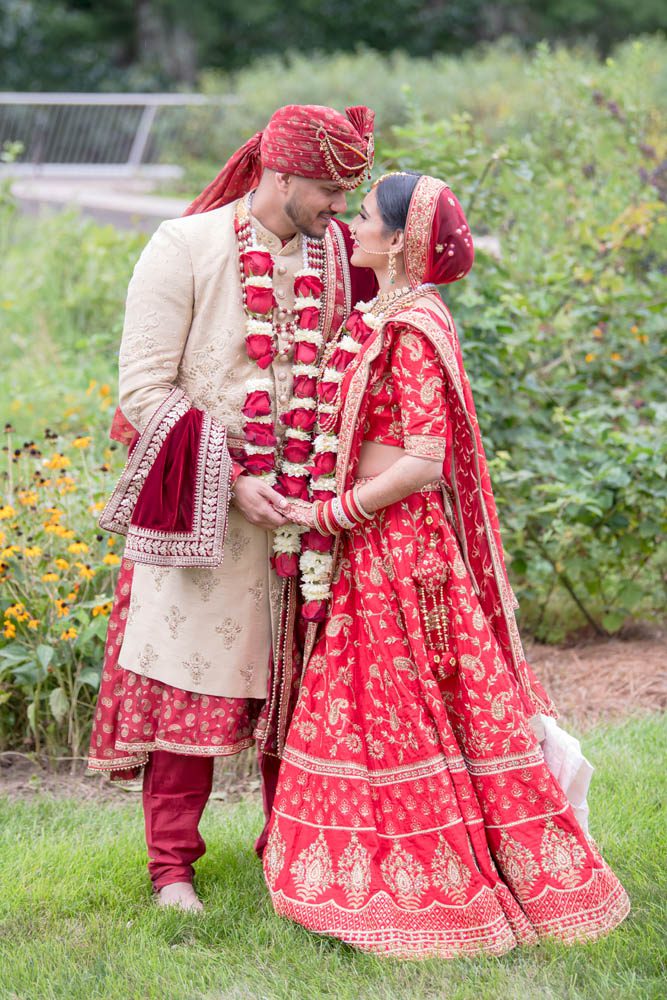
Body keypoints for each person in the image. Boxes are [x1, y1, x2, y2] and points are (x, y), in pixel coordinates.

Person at [262, 172, 630, 957]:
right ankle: (364, 867)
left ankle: (434, 886)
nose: (350, 226)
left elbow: (424, 461)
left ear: (398, 240)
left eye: (363, 216)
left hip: (400, 550)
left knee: (405, 703)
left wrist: (332, 511)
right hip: (376, 543)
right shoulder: (381, 312)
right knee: (371, 702)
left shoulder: (412, 326)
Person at [86, 104, 377, 912]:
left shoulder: (340, 253)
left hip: (306, 521)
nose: (340, 210)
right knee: (191, 684)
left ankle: (289, 853)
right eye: (328, 190)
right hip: (203, 514)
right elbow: (144, 390)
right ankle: (171, 871)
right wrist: (231, 478)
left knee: (304, 692)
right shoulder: (185, 247)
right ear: (279, 174)